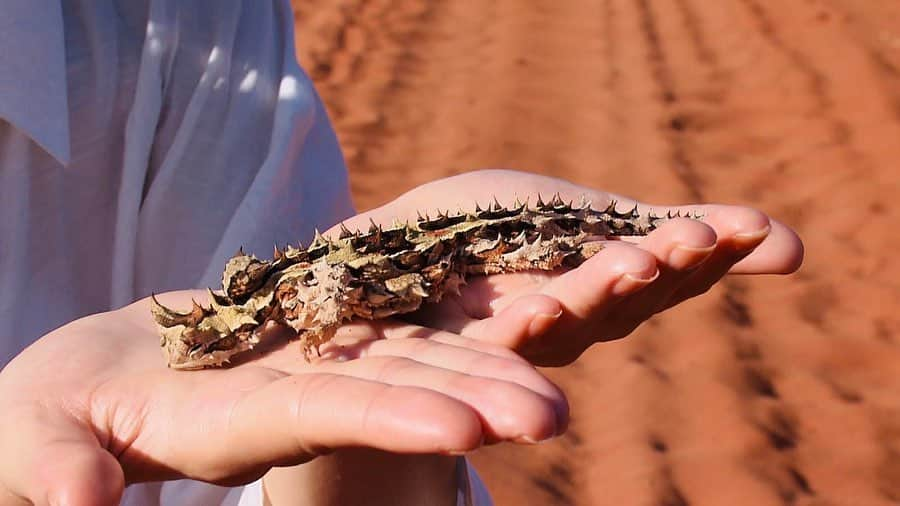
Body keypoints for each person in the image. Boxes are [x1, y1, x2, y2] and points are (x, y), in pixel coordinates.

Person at [0, 1, 803, 505]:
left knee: (537, 245)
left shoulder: (176, 22)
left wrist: (352, 431)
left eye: (206, 340)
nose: (202, 348)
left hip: (419, 259)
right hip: (367, 275)